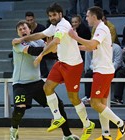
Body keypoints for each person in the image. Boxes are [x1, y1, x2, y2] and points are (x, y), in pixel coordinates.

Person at [13, 3, 95, 140]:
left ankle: (87, 124)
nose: (52, 17)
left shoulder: (63, 25)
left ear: (60, 14)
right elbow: (40, 34)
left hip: (73, 66)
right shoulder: (54, 25)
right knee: (47, 87)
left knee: (73, 98)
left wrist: (41, 55)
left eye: (54, 15)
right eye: (50, 16)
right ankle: (57, 117)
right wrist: (22, 39)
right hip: (62, 63)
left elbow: (56, 41)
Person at [10, 20, 79, 140]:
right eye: (20, 30)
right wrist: (48, 47)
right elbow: (33, 51)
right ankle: (14, 129)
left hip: (36, 82)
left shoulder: (39, 41)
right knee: (20, 108)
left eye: (24, 28)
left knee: (58, 104)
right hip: (20, 84)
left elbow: (52, 53)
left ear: (30, 30)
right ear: (17, 33)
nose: (22, 31)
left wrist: (53, 46)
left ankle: (67, 135)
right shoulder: (17, 43)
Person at [69, 6, 125, 140]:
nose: (85, 18)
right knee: (102, 104)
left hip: (103, 71)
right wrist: (73, 46)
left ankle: (122, 124)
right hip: (103, 71)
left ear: (94, 16)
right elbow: (92, 46)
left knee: (95, 103)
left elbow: (91, 45)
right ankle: (106, 134)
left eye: (87, 15)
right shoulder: (98, 29)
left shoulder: (101, 28)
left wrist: (75, 37)